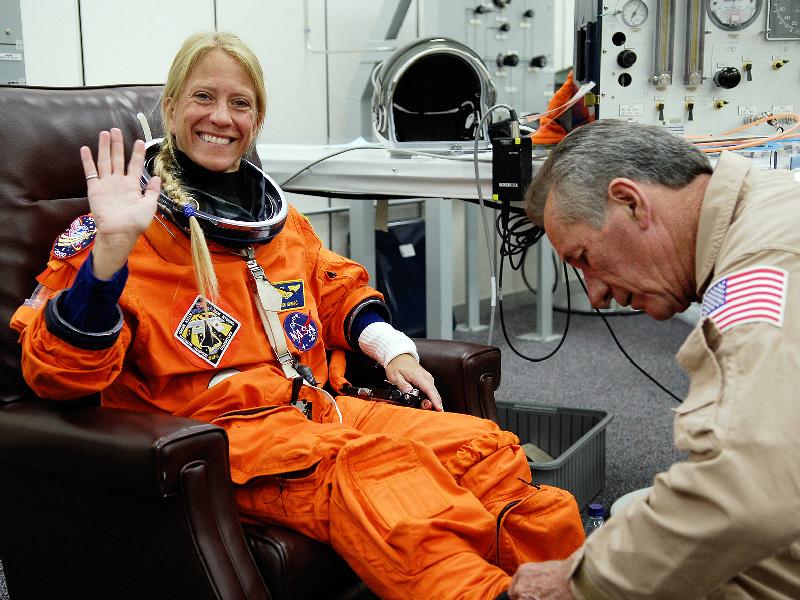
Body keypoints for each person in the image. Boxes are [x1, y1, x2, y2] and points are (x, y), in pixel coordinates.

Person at [10, 31, 584, 599]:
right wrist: (109, 257)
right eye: (202, 97)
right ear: (171, 109)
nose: (221, 117)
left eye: (240, 103)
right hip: (227, 438)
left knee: (485, 451)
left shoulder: (277, 224)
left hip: (315, 407)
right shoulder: (119, 233)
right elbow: (56, 377)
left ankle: (569, 588)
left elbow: (331, 285)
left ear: (256, 121)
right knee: (382, 475)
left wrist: (389, 346)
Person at [513, 118, 800, 599]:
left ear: (631, 202)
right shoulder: (766, 207)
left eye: (584, 258)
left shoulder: (759, 273)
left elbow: (748, 494)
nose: (597, 295)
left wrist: (581, 582)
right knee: (637, 516)